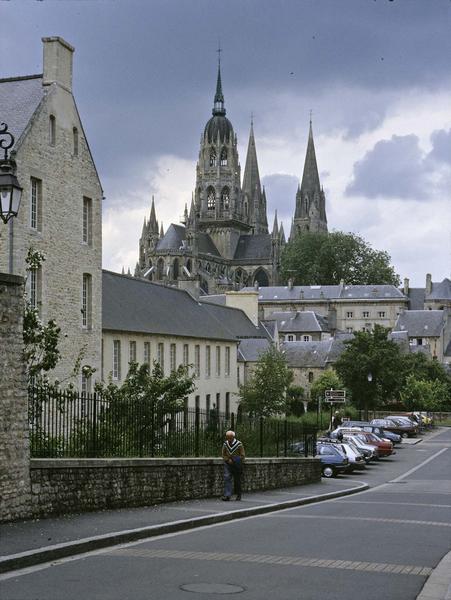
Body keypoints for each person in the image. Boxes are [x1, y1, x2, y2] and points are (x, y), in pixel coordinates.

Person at [222, 430, 245, 501]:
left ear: (233, 437)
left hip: (236, 464)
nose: (228, 439)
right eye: (227, 437)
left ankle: (238, 495)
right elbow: (223, 454)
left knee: (237, 479)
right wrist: (227, 459)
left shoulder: (239, 444)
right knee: (227, 477)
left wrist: (235, 460)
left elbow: (242, 455)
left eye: (230, 438)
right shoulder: (225, 444)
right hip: (228, 463)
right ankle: (227, 495)